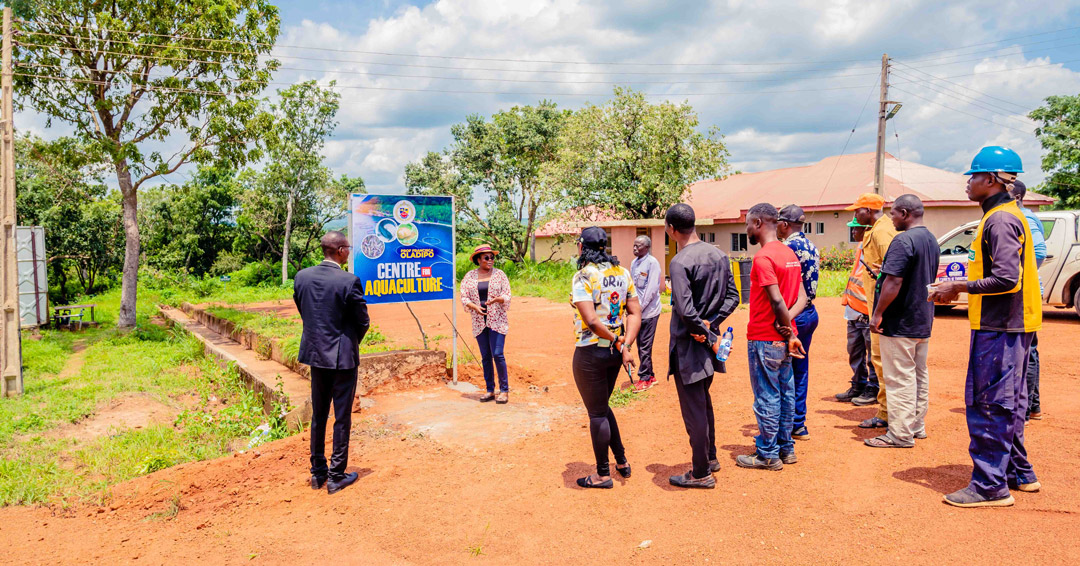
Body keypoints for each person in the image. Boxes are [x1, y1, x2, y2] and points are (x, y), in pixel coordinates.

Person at [930, 146, 1042, 508]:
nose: (968, 182)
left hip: (1001, 326)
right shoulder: (1008, 215)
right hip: (1010, 324)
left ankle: (990, 486)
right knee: (1010, 402)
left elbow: (1007, 278)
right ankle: (1018, 472)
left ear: (991, 180)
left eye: (974, 176)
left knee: (991, 404)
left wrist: (957, 286)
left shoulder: (1000, 220)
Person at [664, 204, 741, 488]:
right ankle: (709, 457)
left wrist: (706, 333)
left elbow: (684, 310)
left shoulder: (680, 261)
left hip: (691, 344)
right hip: (708, 340)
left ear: (671, 229)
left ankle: (700, 473)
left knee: (694, 408)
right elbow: (733, 296)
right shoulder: (720, 255)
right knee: (703, 401)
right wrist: (712, 324)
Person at [293, 231, 370, 495]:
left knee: (318, 415)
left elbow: (305, 311)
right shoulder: (349, 281)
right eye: (347, 247)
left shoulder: (302, 277)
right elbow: (363, 321)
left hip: (316, 356)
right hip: (342, 359)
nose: (349, 251)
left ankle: (317, 473)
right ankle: (336, 476)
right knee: (341, 417)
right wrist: (349, 342)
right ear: (339, 251)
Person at [864, 195, 939, 448]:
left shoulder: (903, 240)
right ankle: (916, 426)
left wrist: (877, 314)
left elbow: (894, 282)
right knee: (918, 375)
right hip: (922, 319)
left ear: (905, 213)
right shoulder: (930, 239)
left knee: (899, 378)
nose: (891, 218)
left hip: (900, 322)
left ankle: (899, 434)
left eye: (894, 214)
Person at [570, 227, 642, 489]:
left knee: (597, 413)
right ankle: (621, 461)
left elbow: (590, 320)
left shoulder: (583, 277)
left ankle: (602, 474)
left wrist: (615, 340)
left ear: (582, 247)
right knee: (602, 405)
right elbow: (635, 313)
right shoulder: (622, 273)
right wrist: (625, 344)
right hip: (615, 353)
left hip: (591, 352)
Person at [737, 203, 806, 471]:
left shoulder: (763, 258)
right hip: (786, 337)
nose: (746, 230)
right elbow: (802, 298)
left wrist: (784, 327)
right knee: (786, 393)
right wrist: (789, 330)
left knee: (767, 395)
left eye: (746, 224)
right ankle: (786, 448)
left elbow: (776, 300)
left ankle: (767, 453)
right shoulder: (789, 254)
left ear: (757, 223)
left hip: (765, 338)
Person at [847, 193, 898, 426]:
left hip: (882, 309)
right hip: (874, 305)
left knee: (882, 362)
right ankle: (888, 411)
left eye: (858, 210)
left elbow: (895, 268)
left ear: (868, 210)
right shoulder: (875, 229)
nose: (856, 215)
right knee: (880, 361)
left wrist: (880, 273)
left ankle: (887, 414)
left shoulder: (880, 231)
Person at [777, 205, 819, 440]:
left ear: (784, 224)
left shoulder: (787, 248)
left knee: (784, 370)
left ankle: (785, 425)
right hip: (810, 312)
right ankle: (798, 424)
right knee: (801, 369)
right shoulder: (811, 245)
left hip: (794, 314)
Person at [1010, 180, 1046, 421]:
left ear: (1018, 196)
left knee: (1026, 352)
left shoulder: (1024, 218)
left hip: (1023, 295)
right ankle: (1032, 405)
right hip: (1023, 292)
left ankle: (1027, 406)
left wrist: (1021, 277)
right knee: (1028, 350)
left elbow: (1039, 251)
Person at [460, 245, 513, 404]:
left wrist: (498, 299)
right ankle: (490, 390)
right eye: (486, 258)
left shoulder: (500, 275)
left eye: (492, 257)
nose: (490, 260)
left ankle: (504, 390)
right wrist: (474, 306)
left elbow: (507, 294)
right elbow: (464, 297)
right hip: (478, 320)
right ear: (478, 259)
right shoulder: (469, 277)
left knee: (497, 354)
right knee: (485, 357)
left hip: (497, 319)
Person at [836, 216, 879, 402]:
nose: (853, 232)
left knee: (872, 355)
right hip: (854, 310)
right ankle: (858, 384)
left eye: (856, 228)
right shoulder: (860, 249)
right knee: (854, 352)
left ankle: (873, 388)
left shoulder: (873, 250)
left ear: (867, 230)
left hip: (867, 312)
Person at [630, 235, 663, 392]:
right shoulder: (634, 264)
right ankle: (650, 375)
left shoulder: (652, 263)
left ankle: (644, 378)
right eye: (634, 246)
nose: (635, 248)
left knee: (645, 346)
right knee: (640, 344)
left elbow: (651, 290)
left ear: (647, 248)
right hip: (638, 312)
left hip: (649, 312)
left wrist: (639, 308)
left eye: (639, 246)